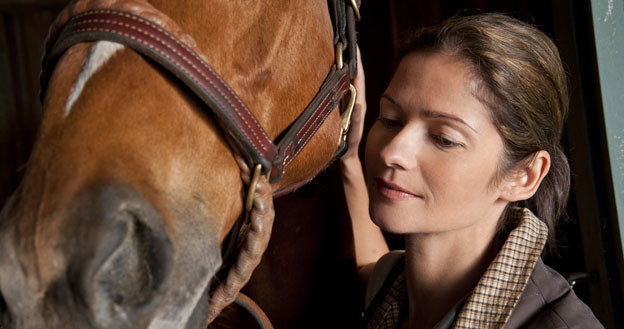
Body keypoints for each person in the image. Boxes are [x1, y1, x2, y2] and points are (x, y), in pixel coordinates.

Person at [340, 13, 605, 329]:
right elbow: (371, 265)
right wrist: (348, 158)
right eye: (390, 119)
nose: (392, 151)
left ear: (524, 176)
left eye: (443, 139)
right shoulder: (393, 286)